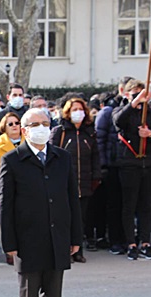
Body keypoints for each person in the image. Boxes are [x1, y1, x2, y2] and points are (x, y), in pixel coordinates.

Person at [0, 108, 82, 297]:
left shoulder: (62, 157)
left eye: (45, 123)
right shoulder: (13, 160)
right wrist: (8, 242)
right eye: (35, 124)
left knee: (53, 289)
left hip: (58, 233)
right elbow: (5, 204)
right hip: (27, 236)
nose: (41, 128)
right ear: (24, 130)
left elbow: (72, 199)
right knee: (29, 290)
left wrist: (76, 237)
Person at [113, 80, 151, 261]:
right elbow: (118, 122)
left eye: (140, 93)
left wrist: (150, 134)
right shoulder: (121, 110)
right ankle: (130, 242)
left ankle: (145, 241)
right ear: (127, 94)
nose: (138, 97)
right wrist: (133, 104)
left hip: (149, 164)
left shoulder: (150, 114)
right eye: (134, 93)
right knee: (129, 205)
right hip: (129, 164)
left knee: (147, 205)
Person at [50, 98, 101, 263]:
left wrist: (96, 177)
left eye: (80, 109)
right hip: (64, 183)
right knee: (65, 218)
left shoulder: (90, 132)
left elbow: (95, 157)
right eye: (74, 109)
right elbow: (52, 156)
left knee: (80, 218)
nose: (77, 112)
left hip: (84, 182)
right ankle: (65, 250)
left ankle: (78, 250)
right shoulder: (60, 131)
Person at [96, 76, 133, 255]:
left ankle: (128, 239)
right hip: (111, 165)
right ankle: (114, 240)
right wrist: (102, 165)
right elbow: (100, 139)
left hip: (129, 164)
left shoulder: (136, 111)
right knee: (113, 204)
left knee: (128, 205)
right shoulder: (109, 111)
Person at [0, 112, 24, 264]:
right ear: (4, 127)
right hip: (6, 188)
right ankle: (9, 251)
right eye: (11, 124)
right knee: (7, 220)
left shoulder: (28, 141)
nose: (15, 126)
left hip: (24, 188)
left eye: (17, 123)